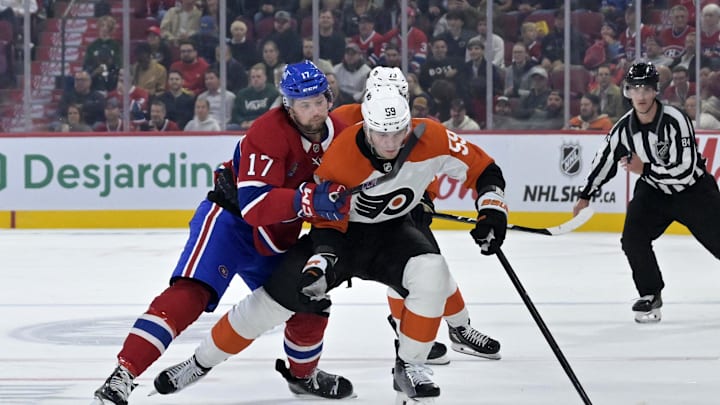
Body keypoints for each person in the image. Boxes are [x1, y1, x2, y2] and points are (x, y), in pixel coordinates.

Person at [152, 83, 508, 403]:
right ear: (365, 124)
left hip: (392, 233)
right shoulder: (339, 154)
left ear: (409, 123)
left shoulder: (431, 136)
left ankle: (411, 365)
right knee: (272, 303)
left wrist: (492, 211)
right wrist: (322, 260)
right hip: (340, 237)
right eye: (380, 134)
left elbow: (483, 169)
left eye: (397, 133)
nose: (388, 143)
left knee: (432, 271)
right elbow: (324, 222)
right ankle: (200, 362)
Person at [91, 61, 354, 404]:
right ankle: (122, 375)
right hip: (229, 222)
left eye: (319, 100)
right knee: (190, 293)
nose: (315, 111)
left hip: (278, 233)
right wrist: (309, 200)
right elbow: (255, 206)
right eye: (304, 104)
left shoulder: (343, 132)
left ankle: (303, 377)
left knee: (310, 298)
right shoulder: (268, 130)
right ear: (288, 105)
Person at [331, 66, 501, 365]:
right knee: (403, 277)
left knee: (433, 270)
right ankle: (405, 332)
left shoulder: (416, 127)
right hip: (358, 220)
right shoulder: (342, 120)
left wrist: (425, 199)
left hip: (402, 209)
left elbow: (425, 165)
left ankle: (459, 328)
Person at [572, 62, 720, 324]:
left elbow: (685, 169)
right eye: (634, 89)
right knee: (632, 239)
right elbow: (604, 159)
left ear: (655, 91)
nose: (640, 96)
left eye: (646, 89)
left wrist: (645, 169)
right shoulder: (623, 128)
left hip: (694, 193)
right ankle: (650, 293)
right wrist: (586, 193)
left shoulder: (676, 120)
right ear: (627, 92)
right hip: (654, 192)